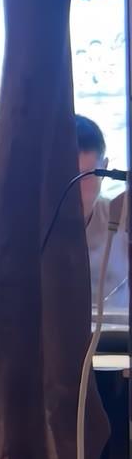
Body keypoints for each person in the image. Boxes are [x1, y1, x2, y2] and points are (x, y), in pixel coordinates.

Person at [76, 114, 128, 317]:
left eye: (85, 176)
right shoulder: (25, 231)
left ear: (104, 169)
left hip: (116, 334)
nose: (74, 189)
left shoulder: (121, 218)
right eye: (63, 175)